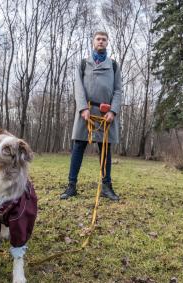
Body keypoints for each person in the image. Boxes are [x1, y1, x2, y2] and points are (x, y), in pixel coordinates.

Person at [60, 31, 122, 201]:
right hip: (86, 112)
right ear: (93, 42)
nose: (101, 42)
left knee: (105, 150)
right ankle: (71, 186)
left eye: (104, 39)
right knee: (78, 147)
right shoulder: (83, 64)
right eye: (98, 39)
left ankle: (106, 187)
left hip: (105, 114)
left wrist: (113, 111)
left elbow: (118, 90)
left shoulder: (114, 66)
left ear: (107, 43)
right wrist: (82, 108)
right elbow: (78, 87)